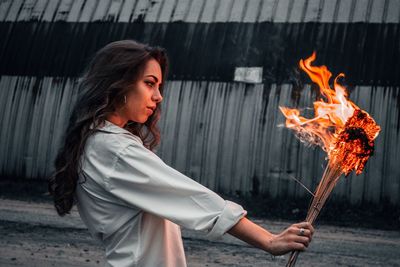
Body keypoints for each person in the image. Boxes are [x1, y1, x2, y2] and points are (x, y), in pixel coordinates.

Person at [48, 40, 314, 267]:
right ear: (117, 83)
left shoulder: (96, 142)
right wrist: (269, 241)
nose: (159, 96)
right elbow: (191, 197)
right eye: (149, 83)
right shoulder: (114, 149)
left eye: (159, 86)